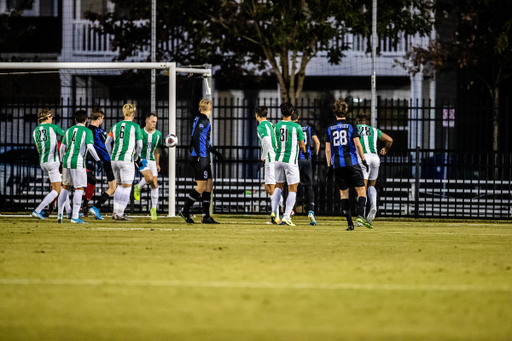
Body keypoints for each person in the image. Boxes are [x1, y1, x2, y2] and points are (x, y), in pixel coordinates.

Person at [325, 100, 371, 230]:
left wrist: (329, 166)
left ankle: (350, 224)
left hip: (338, 165)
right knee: (361, 190)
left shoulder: (329, 127)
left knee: (343, 194)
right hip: (352, 162)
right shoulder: (351, 125)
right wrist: (363, 160)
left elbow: (328, 150)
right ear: (346, 112)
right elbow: (357, 144)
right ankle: (361, 215)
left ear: (334, 112)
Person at [179, 98, 223, 224]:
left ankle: (206, 216)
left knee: (209, 186)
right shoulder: (203, 120)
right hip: (201, 157)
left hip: (204, 156)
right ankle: (185, 210)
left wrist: (216, 153)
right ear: (210, 108)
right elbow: (196, 137)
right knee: (202, 186)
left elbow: (204, 141)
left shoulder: (200, 119)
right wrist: (198, 155)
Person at [57, 110, 101, 224]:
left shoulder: (68, 131)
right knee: (79, 188)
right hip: (78, 162)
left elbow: (62, 148)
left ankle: (60, 214)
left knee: (65, 187)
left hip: (66, 161)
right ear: (86, 120)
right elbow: (90, 148)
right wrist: (98, 160)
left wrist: (62, 161)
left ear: (75, 120)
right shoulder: (87, 131)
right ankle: (75, 216)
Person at [270, 103, 307, 226]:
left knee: (278, 187)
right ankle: (286, 216)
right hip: (290, 161)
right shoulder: (296, 127)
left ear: (281, 113)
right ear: (292, 113)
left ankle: (274, 213)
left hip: (277, 159)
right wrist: (305, 153)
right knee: (293, 188)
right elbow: (302, 144)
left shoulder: (275, 127)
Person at [105, 103, 144, 220]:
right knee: (127, 187)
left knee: (118, 186)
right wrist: (136, 156)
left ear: (123, 113)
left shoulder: (115, 126)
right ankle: (120, 213)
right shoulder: (135, 127)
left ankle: (115, 212)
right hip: (127, 159)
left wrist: (111, 154)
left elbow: (107, 143)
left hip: (114, 160)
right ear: (133, 114)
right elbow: (140, 145)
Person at [356, 113, 393, 223]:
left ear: (357, 121)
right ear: (367, 122)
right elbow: (390, 140)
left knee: (362, 188)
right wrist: (385, 149)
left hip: (363, 158)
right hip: (375, 158)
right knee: (372, 185)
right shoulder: (374, 130)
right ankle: (373, 205)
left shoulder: (354, 128)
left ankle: (361, 216)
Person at [31, 108, 64, 219]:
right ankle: (38, 210)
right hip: (53, 162)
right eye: (51, 117)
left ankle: (68, 211)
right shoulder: (53, 127)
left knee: (60, 185)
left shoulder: (35, 131)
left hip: (43, 162)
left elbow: (38, 149)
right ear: (48, 117)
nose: (52, 119)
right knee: (57, 190)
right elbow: (66, 135)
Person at [86, 108, 117, 221]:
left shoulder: (99, 130)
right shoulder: (90, 131)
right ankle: (96, 207)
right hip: (105, 161)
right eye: (102, 119)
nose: (102, 121)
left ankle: (96, 208)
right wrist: (99, 159)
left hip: (108, 160)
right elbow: (91, 147)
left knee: (114, 187)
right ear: (99, 118)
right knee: (113, 187)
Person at [291, 109, 320, 226]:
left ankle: (290, 210)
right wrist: (315, 155)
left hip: (295, 159)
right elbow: (317, 142)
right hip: (307, 159)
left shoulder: (291, 127)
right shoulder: (307, 127)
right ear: (298, 117)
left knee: (292, 185)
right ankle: (311, 211)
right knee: (308, 185)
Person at [134, 113, 162, 220]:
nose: (154, 124)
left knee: (154, 184)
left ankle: (153, 209)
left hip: (152, 160)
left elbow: (157, 150)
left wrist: (157, 163)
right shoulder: (140, 132)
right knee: (149, 178)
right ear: (146, 121)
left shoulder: (158, 134)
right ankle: (138, 187)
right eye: (152, 121)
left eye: (155, 122)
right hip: (141, 159)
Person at [255, 105, 278, 222]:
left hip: (270, 158)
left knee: (271, 187)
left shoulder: (260, 127)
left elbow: (268, 142)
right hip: (274, 157)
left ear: (256, 115)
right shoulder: (271, 124)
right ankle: (279, 211)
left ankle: (277, 216)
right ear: (267, 115)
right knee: (267, 187)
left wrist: (262, 158)